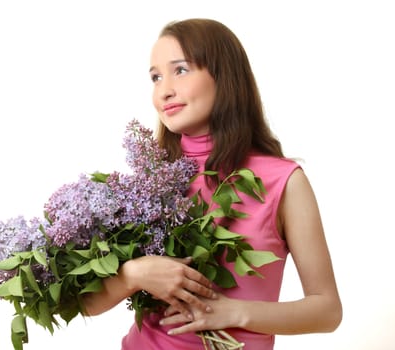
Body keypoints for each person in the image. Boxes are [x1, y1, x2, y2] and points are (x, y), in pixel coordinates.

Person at [82, 18, 342, 349]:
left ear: (223, 75)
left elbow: (327, 310)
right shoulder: (154, 180)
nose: (164, 90)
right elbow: (86, 304)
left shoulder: (284, 182)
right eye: (155, 77)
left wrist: (234, 313)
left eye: (180, 70)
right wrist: (134, 275)